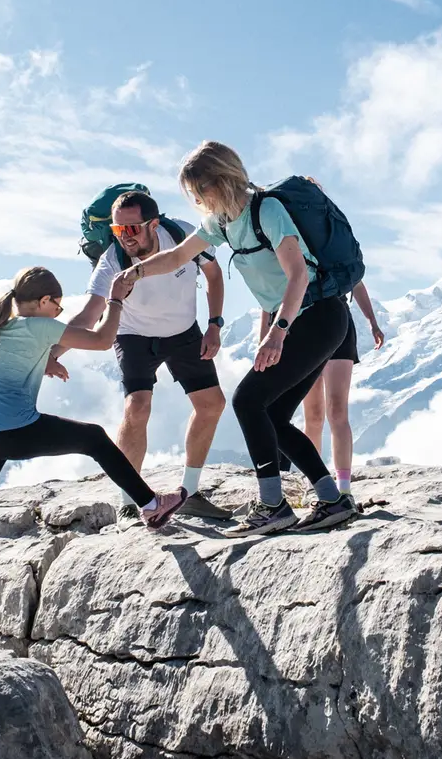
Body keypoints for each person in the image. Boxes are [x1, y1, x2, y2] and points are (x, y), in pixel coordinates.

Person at [0, 266, 186, 646]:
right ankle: (151, 504)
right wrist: (116, 300)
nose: (58, 312)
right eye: (57, 306)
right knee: (94, 438)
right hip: (13, 432)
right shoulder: (39, 327)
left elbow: (18, 359)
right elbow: (104, 339)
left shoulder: (0, 330)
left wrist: (46, 361)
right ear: (43, 302)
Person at [114, 141, 358, 536]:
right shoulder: (222, 221)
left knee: (248, 400)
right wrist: (136, 272)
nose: (196, 199)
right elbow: (178, 256)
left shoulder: (268, 210)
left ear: (221, 181)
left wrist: (277, 333)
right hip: (302, 320)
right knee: (274, 414)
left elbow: (297, 274)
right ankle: (333, 499)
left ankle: (272, 505)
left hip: (318, 317)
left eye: (199, 190)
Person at [58, 190, 232, 521]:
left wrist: (214, 325)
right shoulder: (112, 261)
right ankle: (129, 501)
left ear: (153, 225)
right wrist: (52, 353)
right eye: (117, 230)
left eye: (132, 229)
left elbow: (213, 274)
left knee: (212, 405)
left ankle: (190, 492)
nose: (124, 237)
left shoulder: (181, 234)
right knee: (137, 407)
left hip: (183, 332)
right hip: (133, 334)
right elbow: (88, 315)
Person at [300, 282, 384, 505]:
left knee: (337, 410)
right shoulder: (294, 246)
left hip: (339, 324)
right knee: (313, 414)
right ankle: (313, 484)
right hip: (304, 323)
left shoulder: (338, 248)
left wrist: (372, 323)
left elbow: (356, 283)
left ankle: (344, 489)